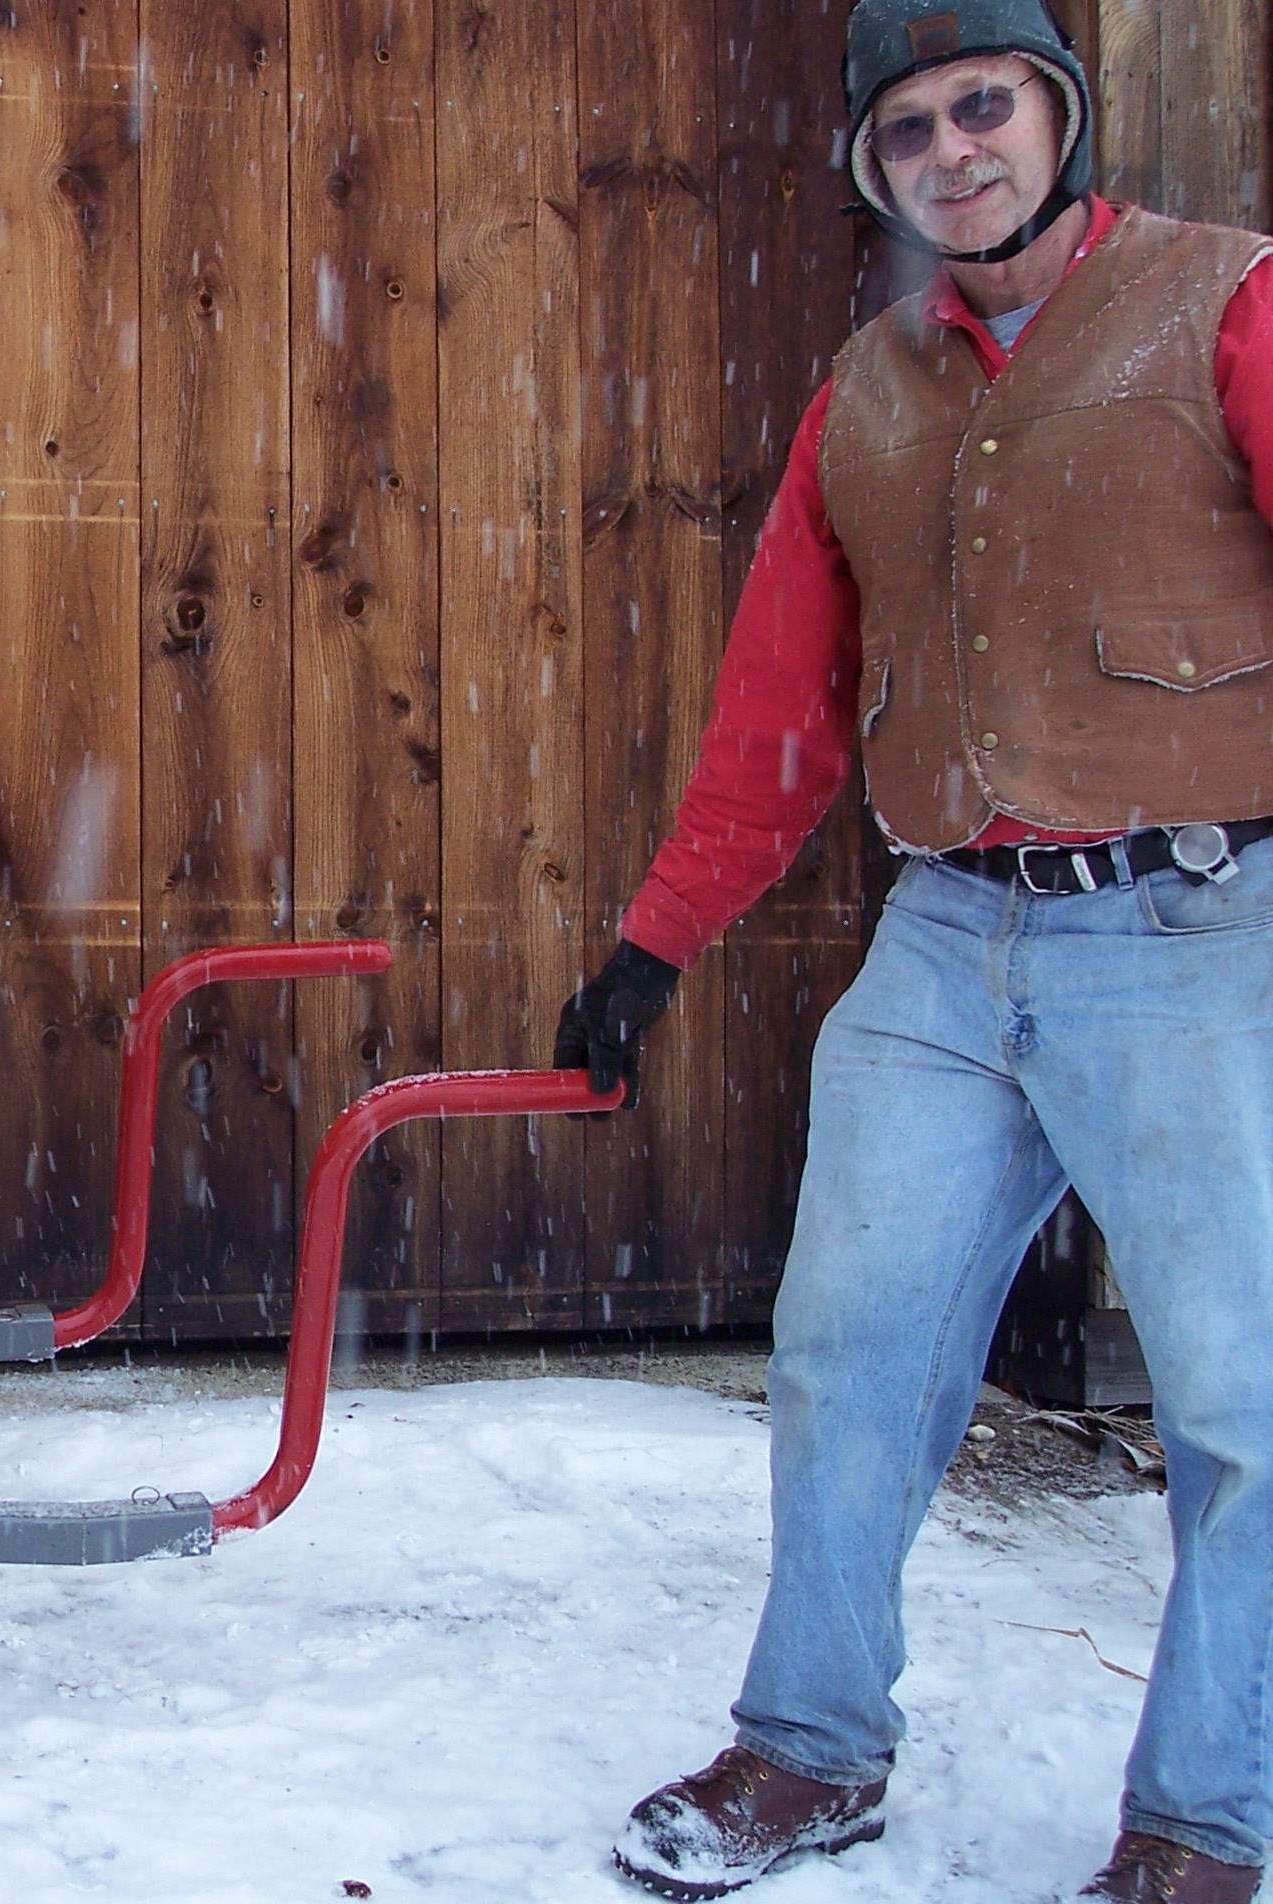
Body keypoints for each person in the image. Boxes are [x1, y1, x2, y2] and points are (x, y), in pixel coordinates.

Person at [553, 2, 1273, 1898]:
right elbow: (778, 718)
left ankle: (1203, 1826)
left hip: (1192, 927)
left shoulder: (1227, 307)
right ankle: (810, 1750)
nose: (955, 151)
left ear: (1063, 115)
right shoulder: (865, 396)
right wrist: (653, 945)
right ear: (878, 171)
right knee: (846, 1354)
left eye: (987, 108)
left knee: (1240, 1401)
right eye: (911, 130)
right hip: (949, 942)